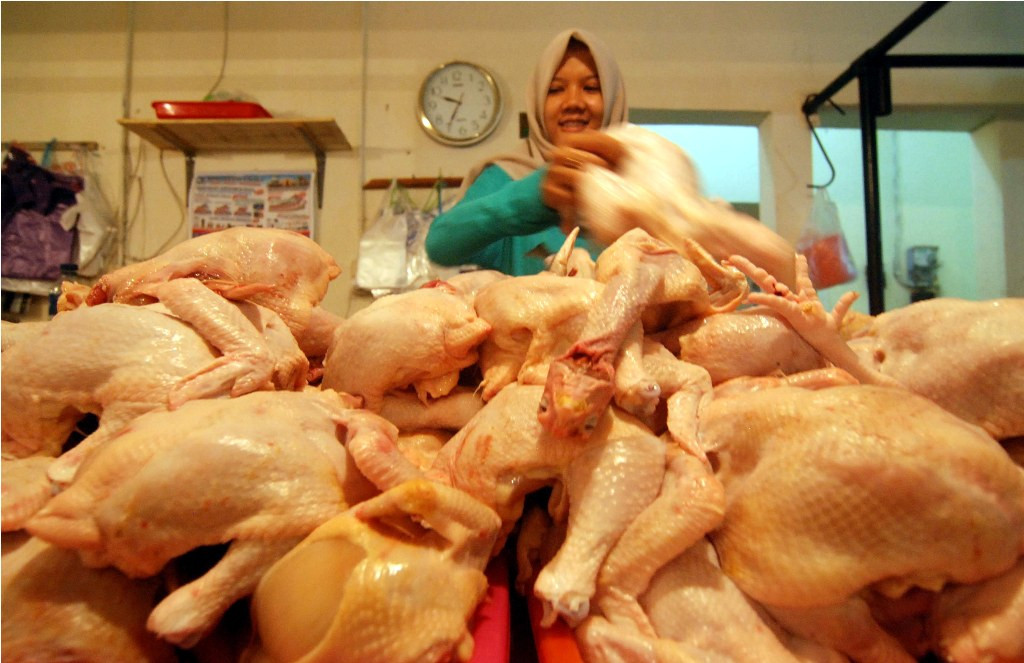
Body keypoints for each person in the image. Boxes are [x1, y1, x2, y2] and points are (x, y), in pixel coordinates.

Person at [425, 28, 627, 276]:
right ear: (537, 103)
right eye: (555, 89)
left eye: (591, 88)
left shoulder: (638, 184)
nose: (573, 102)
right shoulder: (507, 176)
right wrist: (536, 196)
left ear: (613, 99)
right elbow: (441, 244)